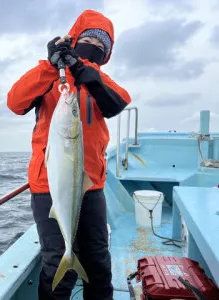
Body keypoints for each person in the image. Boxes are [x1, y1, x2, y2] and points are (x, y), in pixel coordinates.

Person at [7, 9, 131, 300]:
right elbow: (15, 102)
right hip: (48, 186)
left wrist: (90, 74)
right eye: (89, 40)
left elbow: (119, 101)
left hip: (91, 186)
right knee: (57, 263)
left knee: (98, 261)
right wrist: (53, 67)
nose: (95, 48)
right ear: (74, 40)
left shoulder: (99, 81)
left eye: (103, 47)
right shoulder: (50, 78)